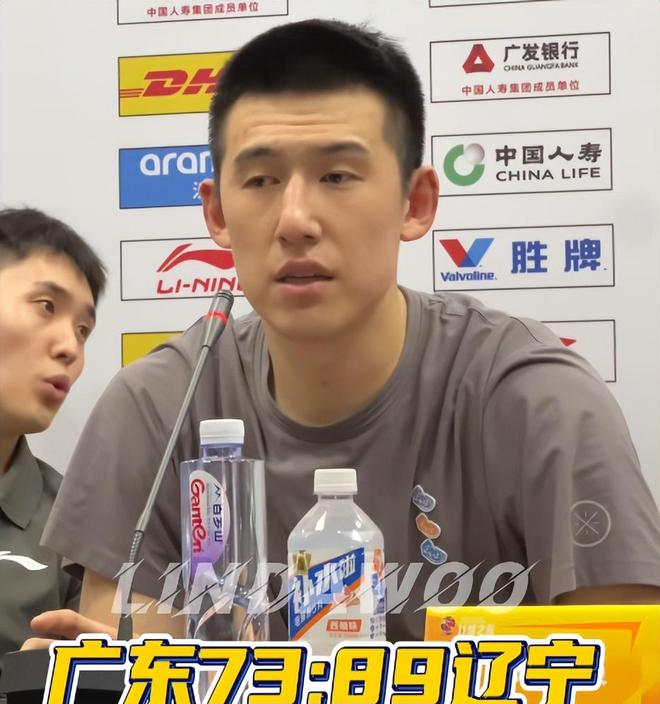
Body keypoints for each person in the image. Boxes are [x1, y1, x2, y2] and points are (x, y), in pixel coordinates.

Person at [31, 19, 660, 649]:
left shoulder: (533, 399)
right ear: (217, 212)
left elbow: (624, 687)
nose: (295, 220)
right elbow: (142, 687)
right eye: (261, 180)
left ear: (415, 203)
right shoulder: (158, 408)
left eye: (336, 176)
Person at [0, 207, 105, 655]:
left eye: (83, 330)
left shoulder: (73, 526)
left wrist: (106, 672)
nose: (70, 348)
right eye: (46, 306)